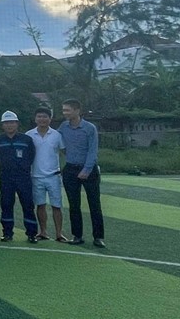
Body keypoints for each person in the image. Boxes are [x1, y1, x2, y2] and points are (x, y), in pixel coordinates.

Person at [59, 99, 106, 248]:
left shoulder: (89, 128)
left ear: (77, 110)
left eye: (68, 110)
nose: (65, 113)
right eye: (64, 110)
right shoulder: (63, 127)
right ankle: (77, 235)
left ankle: (98, 237)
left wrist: (86, 169)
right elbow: (60, 145)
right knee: (74, 205)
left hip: (89, 170)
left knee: (94, 204)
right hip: (70, 169)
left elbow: (93, 151)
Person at [0, 110, 39, 243]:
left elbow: (31, 156)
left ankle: (31, 233)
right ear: (2, 125)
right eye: (6, 123)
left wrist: (23, 167)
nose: (9, 125)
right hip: (6, 177)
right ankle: (7, 233)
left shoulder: (26, 139)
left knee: (28, 204)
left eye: (12, 122)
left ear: (17, 123)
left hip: (23, 177)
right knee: (6, 204)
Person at [26, 107, 68, 242]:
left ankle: (59, 233)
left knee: (56, 206)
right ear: (35, 119)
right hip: (36, 176)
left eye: (45, 117)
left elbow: (64, 152)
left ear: (50, 119)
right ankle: (43, 231)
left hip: (54, 176)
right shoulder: (29, 135)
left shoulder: (57, 135)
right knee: (40, 205)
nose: (42, 119)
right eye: (39, 116)